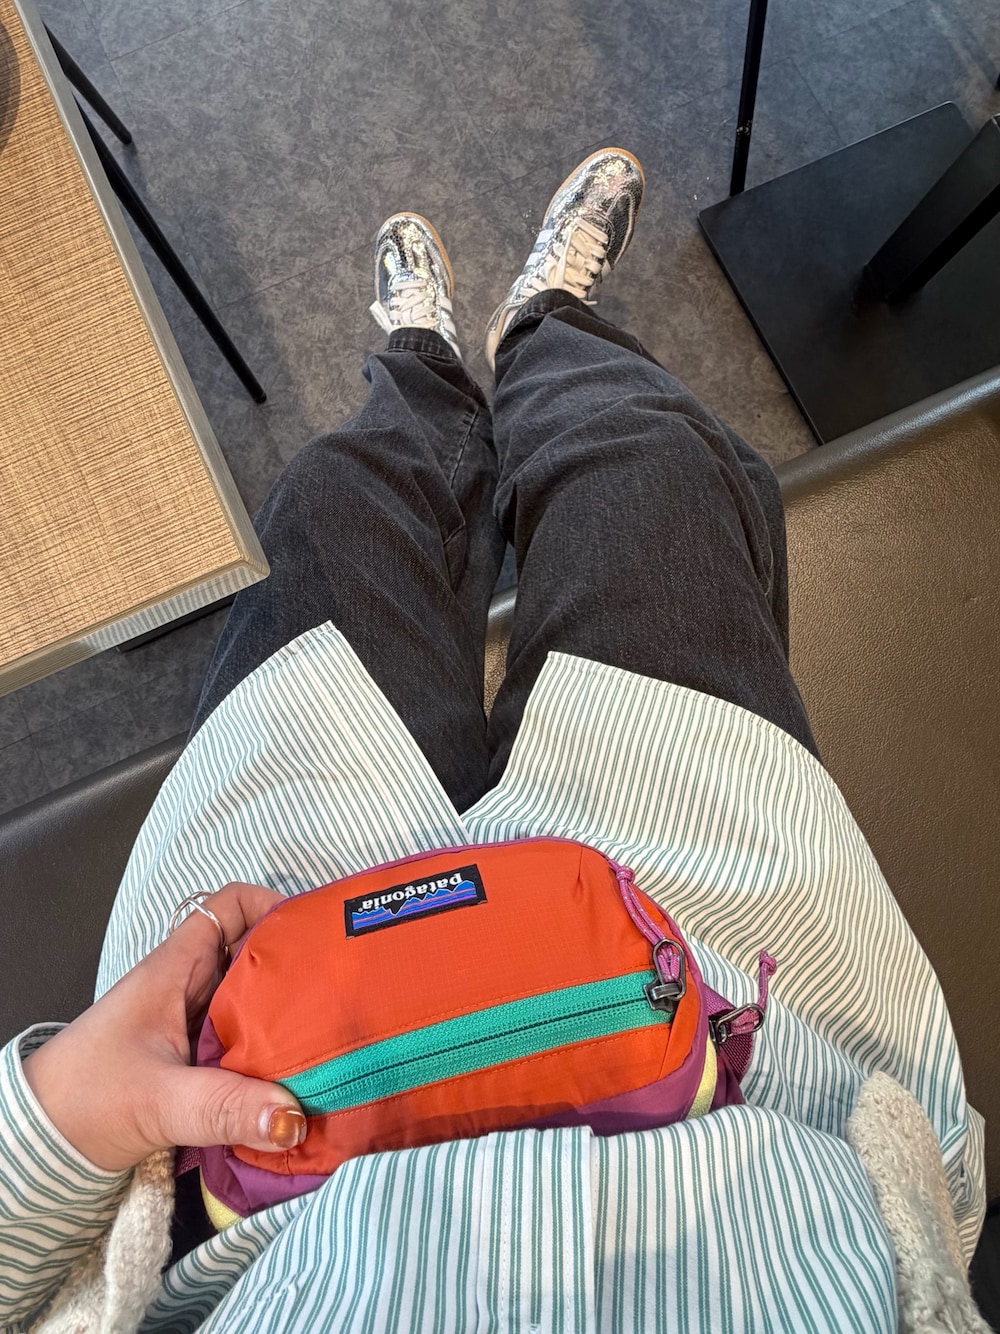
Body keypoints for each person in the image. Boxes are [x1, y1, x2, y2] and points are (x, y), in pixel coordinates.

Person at [0, 150, 987, 1334]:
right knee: (654, 462)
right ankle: (546, 325)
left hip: (258, 1007)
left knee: (331, 504)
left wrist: (54, 1120)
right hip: (732, 986)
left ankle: (420, 366)